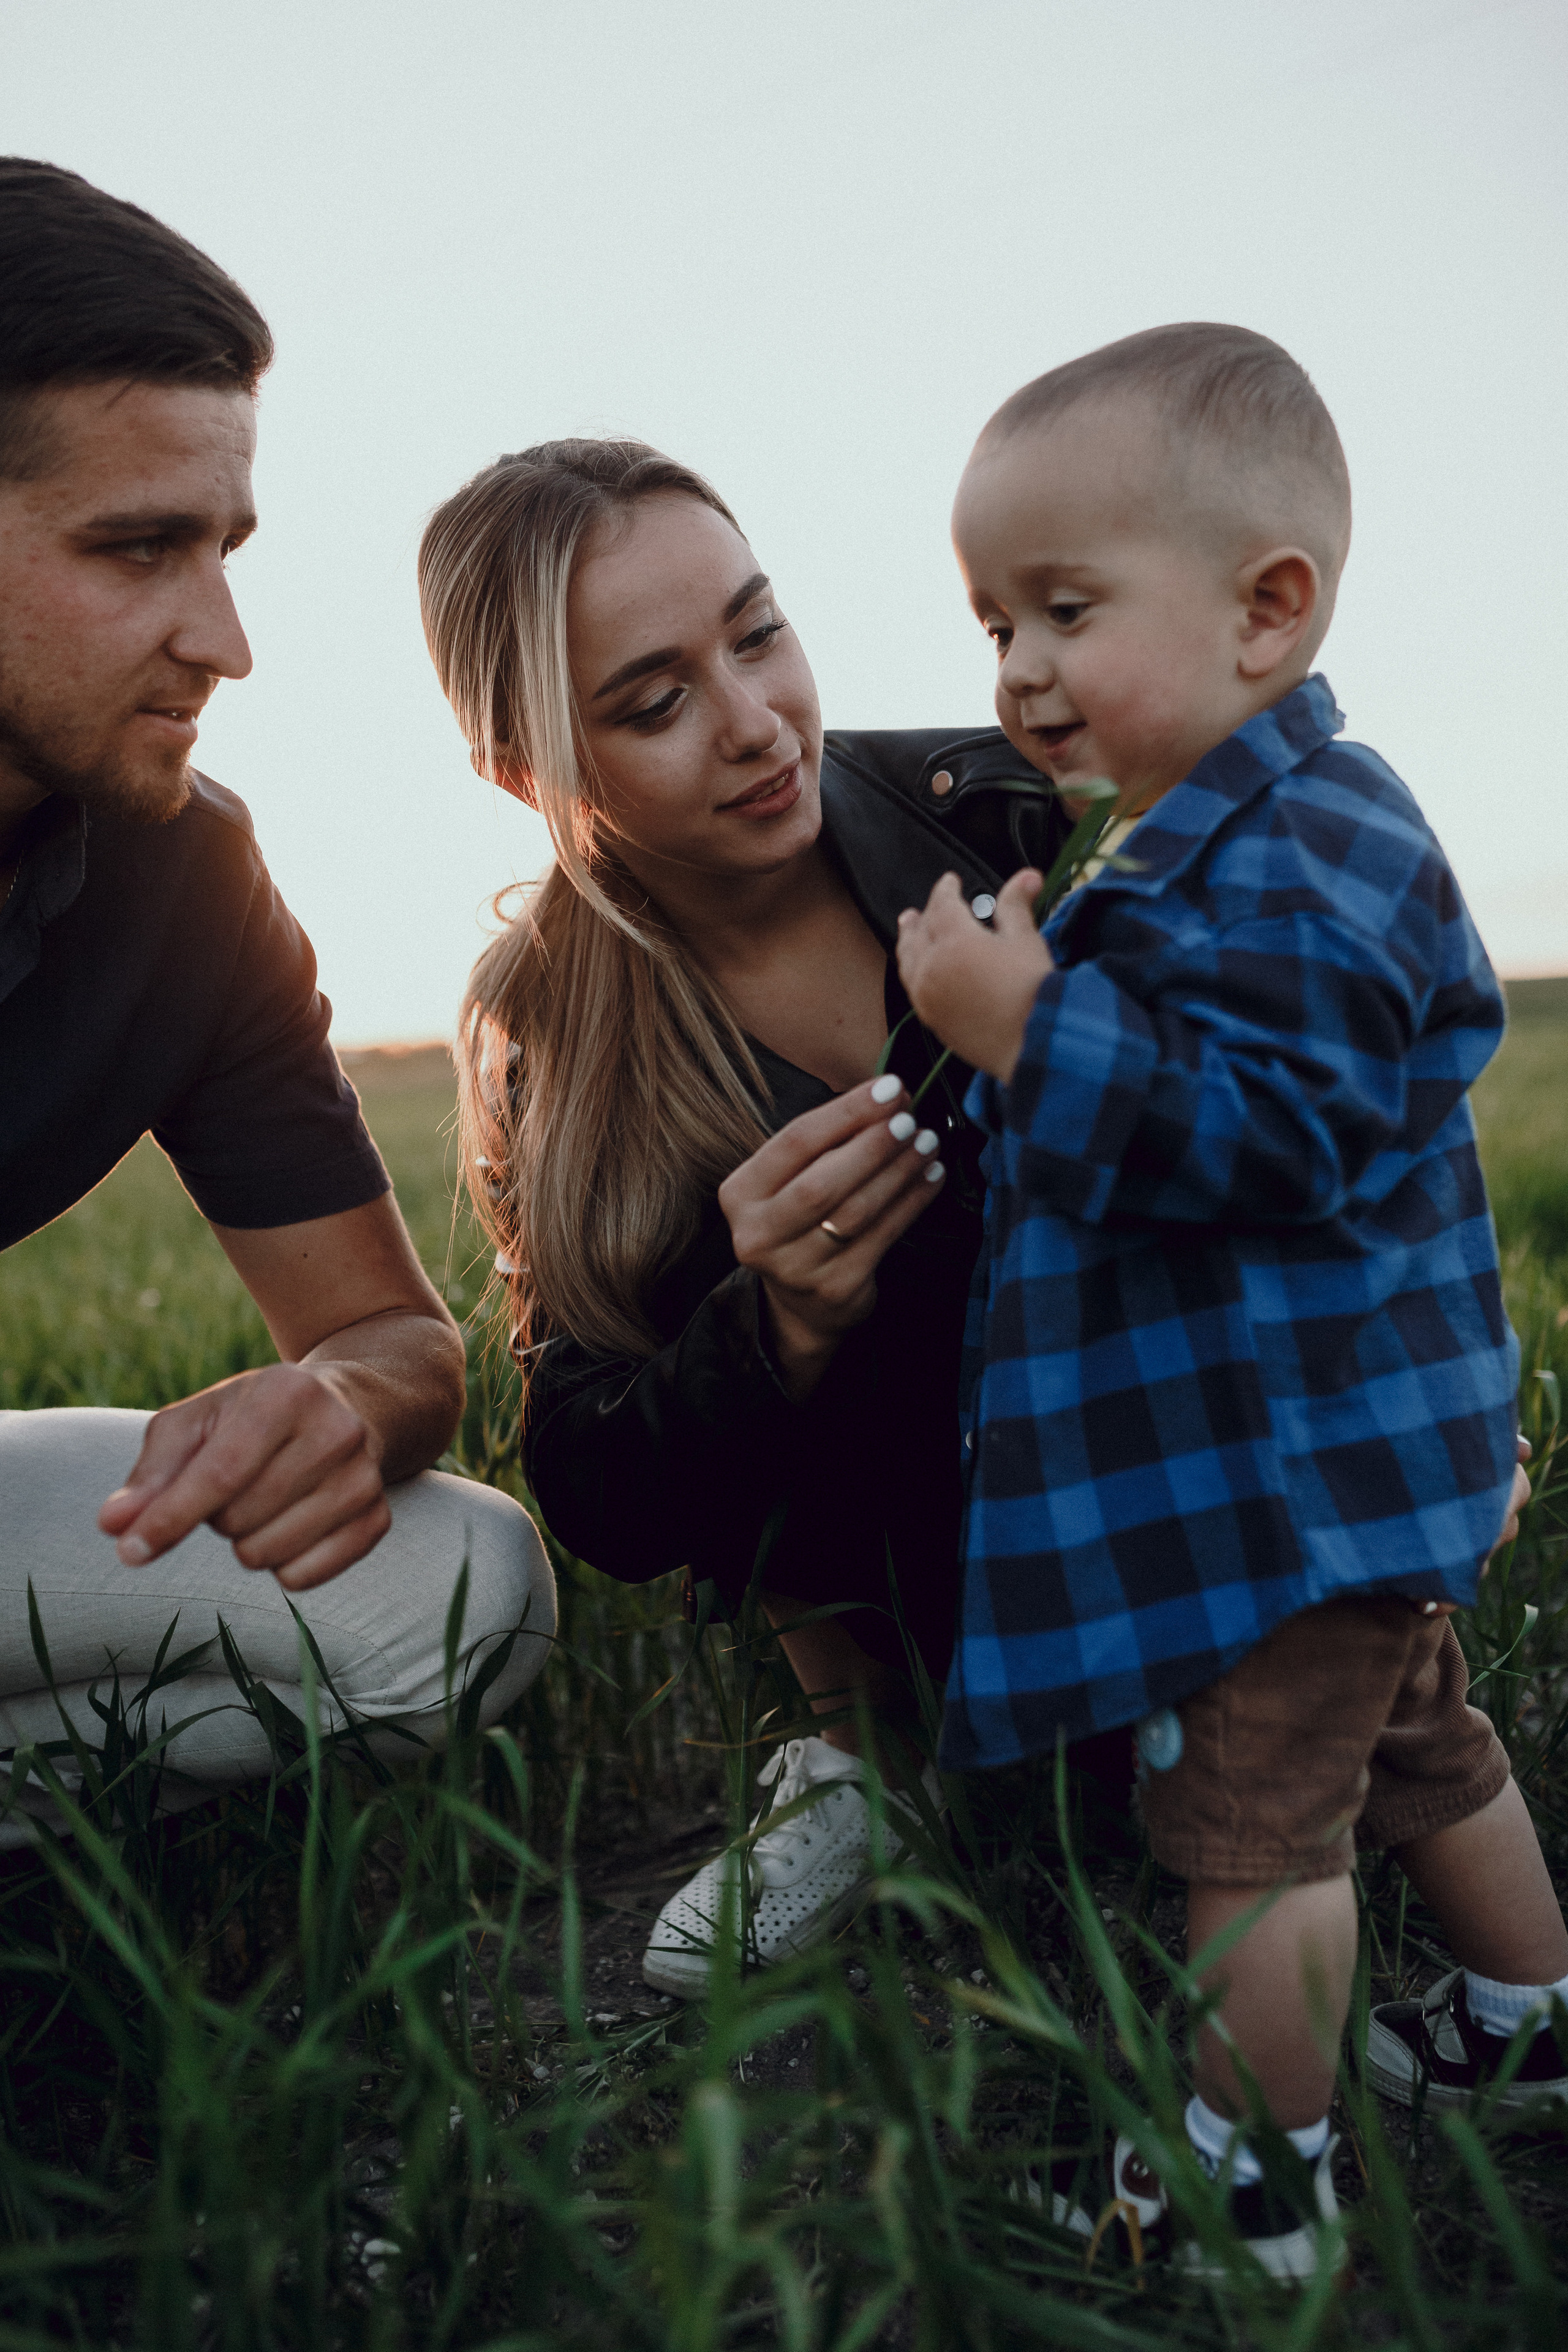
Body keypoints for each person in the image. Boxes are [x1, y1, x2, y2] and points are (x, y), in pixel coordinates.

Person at [894, 322, 1566, 2277]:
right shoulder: (1226, 849)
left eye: (1064, 608)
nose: (1015, 668)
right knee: (1420, 1739)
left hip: (1275, 1492)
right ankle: (1525, 2021)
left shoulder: (1308, 854)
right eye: (991, 621)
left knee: (1250, 1835)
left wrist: (1031, 1031)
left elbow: (1273, 1136)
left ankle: (1241, 2193)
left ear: (1269, 609)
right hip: (1327, 1469)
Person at [417, 436, 1093, 1994]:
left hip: (1171, 1475)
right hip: (900, 1568)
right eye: (653, 704)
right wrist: (770, 1326)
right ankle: (873, 1765)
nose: (752, 724)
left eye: (759, 632)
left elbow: (1297, 1094)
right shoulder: (550, 1040)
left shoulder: (1004, 813)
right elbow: (597, 1483)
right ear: (527, 770)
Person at [0, 160, 556, 1847]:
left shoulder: (194, 884)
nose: (226, 639)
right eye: (139, 549)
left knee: (467, 1589)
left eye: (223, 547)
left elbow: (393, 1341)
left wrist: (331, 1404)